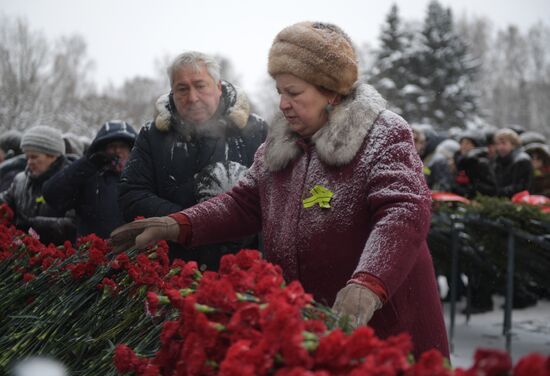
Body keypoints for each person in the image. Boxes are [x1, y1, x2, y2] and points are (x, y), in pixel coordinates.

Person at [112, 22, 449, 358]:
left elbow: (404, 212)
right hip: (311, 330)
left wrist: (369, 282)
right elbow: (243, 203)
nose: (284, 104)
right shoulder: (280, 143)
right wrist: (176, 223)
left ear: (330, 90)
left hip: (384, 328)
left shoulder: (381, 134)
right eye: (280, 92)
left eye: (294, 92)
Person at [117, 51, 268, 268]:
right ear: (172, 92)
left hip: (243, 270)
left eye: (200, 85)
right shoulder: (153, 136)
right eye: (182, 88)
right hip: (175, 268)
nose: (192, 97)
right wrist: (185, 223)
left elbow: (273, 198)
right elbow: (131, 195)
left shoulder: (256, 131)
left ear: (218, 87)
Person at [43, 121, 137, 239]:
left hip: (133, 253)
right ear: (102, 149)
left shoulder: (140, 176)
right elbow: (52, 195)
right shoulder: (88, 176)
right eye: (112, 146)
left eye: (122, 146)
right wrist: (87, 163)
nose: (117, 151)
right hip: (92, 253)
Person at [0, 125, 75, 245]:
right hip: (20, 256)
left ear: (53, 155)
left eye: (34, 157)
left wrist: (34, 225)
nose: (29, 162)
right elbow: (5, 202)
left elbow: (74, 225)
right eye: (27, 157)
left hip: (57, 259)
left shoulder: (72, 183)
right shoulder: (20, 180)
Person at [493, 128, 532, 198]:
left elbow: (520, 188)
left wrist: (497, 192)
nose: (499, 147)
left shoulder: (521, 160)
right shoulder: (498, 161)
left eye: (503, 143)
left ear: (513, 144)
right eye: (497, 144)